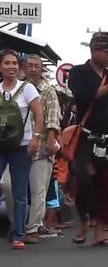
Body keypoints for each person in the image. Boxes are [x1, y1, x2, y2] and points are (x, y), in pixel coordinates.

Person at [69, 33, 108, 246]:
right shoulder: (78, 72)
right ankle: (83, 220)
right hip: (87, 136)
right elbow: (84, 96)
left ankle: (100, 232)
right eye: (107, 52)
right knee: (84, 180)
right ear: (93, 50)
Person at [0, 49, 44, 249]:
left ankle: (18, 234)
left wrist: (36, 138)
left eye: (15, 63)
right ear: (0, 67)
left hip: (21, 146)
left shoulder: (27, 89)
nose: (12, 66)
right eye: (7, 63)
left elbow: (39, 114)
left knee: (19, 192)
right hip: (1, 146)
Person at [21, 55, 61, 243]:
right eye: (29, 66)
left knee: (39, 189)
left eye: (37, 66)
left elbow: (53, 120)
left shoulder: (48, 91)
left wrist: (50, 144)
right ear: (24, 68)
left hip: (41, 145)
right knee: (9, 185)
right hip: (16, 145)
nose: (33, 69)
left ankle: (33, 227)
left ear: (42, 69)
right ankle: (17, 224)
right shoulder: (17, 88)